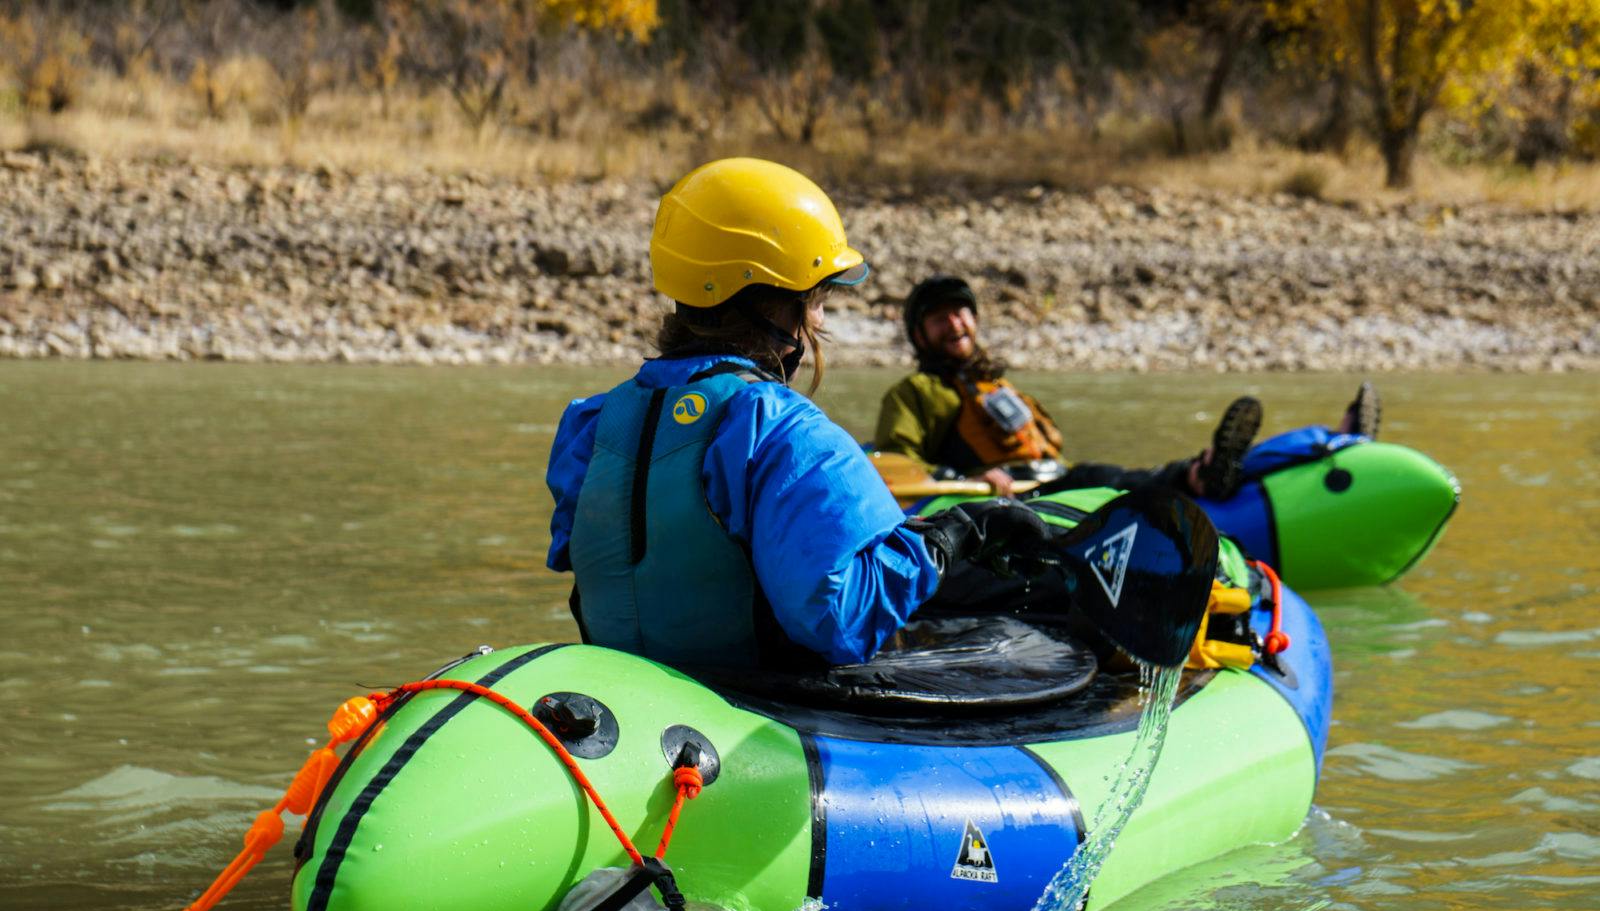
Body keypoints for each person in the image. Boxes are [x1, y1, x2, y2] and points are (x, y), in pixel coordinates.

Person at [544, 160, 1062, 671]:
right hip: (754, 715)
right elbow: (837, 618)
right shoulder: (781, 428)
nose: (819, 319)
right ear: (773, 305)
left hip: (626, 703)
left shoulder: (591, 425)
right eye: (816, 300)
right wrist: (951, 538)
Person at [876, 276, 1379, 500]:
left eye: (960, 312)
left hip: (1052, 475)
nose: (954, 324)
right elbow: (897, 467)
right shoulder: (913, 393)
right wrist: (971, 477)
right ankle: (1202, 475)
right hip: (1017, 497)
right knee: (1126, 480)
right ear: (920, 335)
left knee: (1128, 475)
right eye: (938, 318)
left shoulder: (997, 386)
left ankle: (1325, 443)